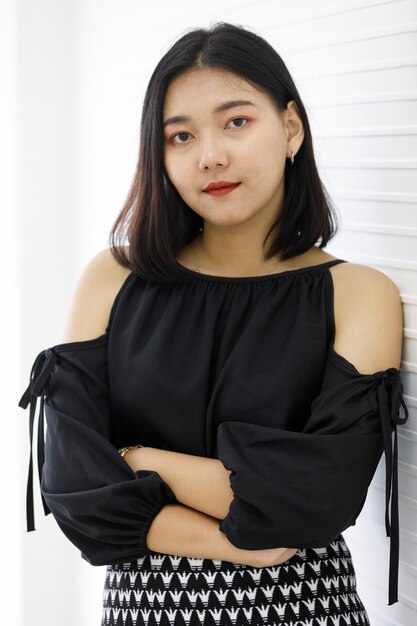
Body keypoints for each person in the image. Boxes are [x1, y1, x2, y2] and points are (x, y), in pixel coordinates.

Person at [19, 22, 409, 626]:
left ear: (290, 129)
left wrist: (141, 460)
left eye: (236, 121)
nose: (211, 156)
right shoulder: (114, 278)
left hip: (304, 610)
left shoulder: (357, 294)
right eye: (180, 135)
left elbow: (315, 499)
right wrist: (228, 543)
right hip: (145, 613)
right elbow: (73, 487)